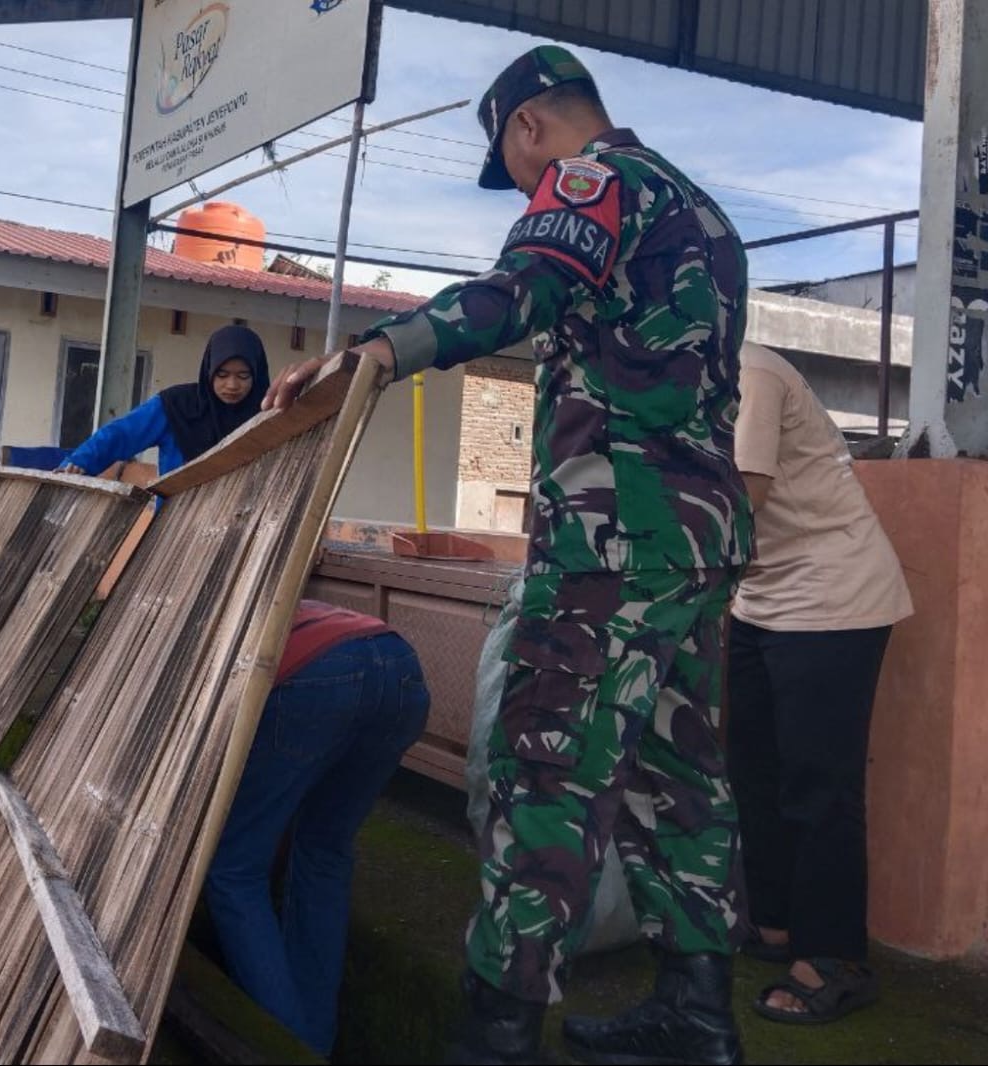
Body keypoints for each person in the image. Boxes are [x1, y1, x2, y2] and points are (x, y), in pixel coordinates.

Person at [265, 45, 753, 1066]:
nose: (526, 188)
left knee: (543, 772)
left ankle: (495, 1036)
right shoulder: (705, 214)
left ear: (530, 125)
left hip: (609, 542)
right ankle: (697, 1014)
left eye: (515, 165)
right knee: (683, 779)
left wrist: (377, 353)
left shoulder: (591, 182)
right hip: (697, 540)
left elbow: (515, 292)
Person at [725, 342, 913, 1025]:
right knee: (752, 769)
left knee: (818, 784)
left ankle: (836, 958)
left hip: (834, 598)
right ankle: (774, 925)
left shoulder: (751, 372)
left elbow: (743, 496)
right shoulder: (673, 383)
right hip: (760, 599)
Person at [203, 601, 430, 1057]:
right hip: (400, 665)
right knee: (325, 852)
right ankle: (313, 1045)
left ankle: (287, 1047)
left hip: (315, 678)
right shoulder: (271, 598)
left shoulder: (200, 624)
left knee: (233, 871)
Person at [58, 324, 269, 477]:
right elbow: (122, 433)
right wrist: (80, 461)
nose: (232, 385)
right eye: (222, 375)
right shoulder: (177, 407)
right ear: (208, 370)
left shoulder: (268, 415)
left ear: (257, 375)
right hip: (173, 525)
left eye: (243, 376)